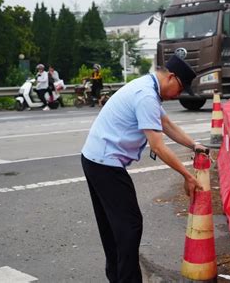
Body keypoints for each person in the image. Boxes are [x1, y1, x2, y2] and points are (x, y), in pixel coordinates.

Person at [81, 55, 206, 282]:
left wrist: (194, 145)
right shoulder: (146, 95)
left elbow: (166, 124)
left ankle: (116, 276)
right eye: (180, 88)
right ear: (171, 77)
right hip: (105, 164)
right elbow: (158, 146)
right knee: (129, 226)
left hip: (94, 159)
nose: (179, 94)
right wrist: (187, 175)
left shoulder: (147, 87)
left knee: (114, 226)